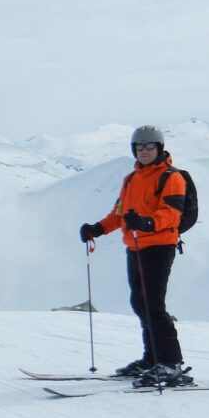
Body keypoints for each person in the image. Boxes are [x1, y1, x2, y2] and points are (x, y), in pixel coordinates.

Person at [79, 125, 192, 387]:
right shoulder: (131, 179)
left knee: (153, 304)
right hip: (135, 246)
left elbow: (171, 214)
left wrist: (146, 223)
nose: (143, 150)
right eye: (139, 146)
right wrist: (97, 229)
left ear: (159, 148)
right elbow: (120, 214)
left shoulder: (171, 177)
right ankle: (153, 358)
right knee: (140, 304)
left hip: (159, 246)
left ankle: (170, 364)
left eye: (149, 145)